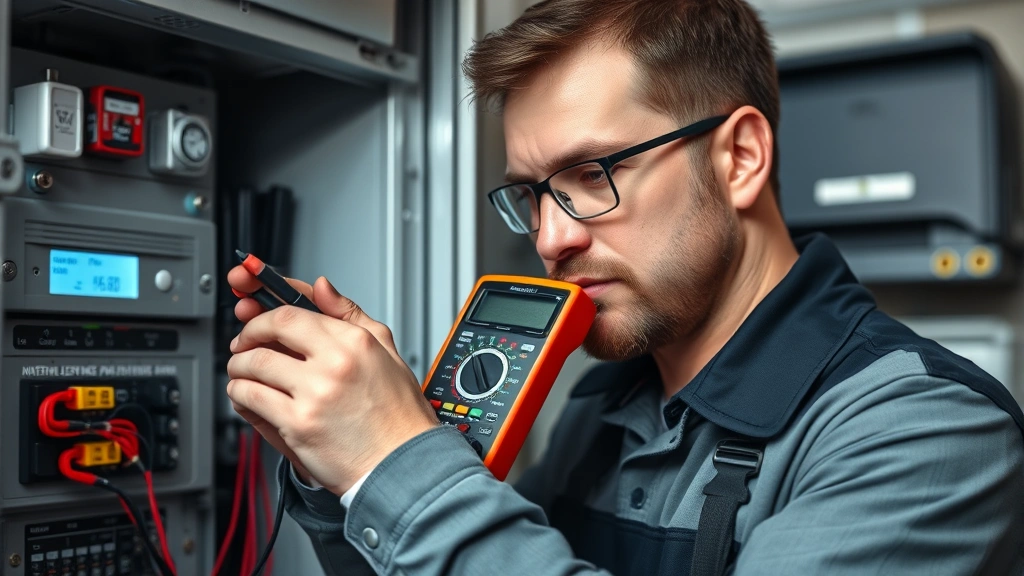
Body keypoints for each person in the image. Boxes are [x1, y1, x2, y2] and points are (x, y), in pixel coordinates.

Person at [224, 0, 1024, 574]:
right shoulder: (601, 402)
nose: (550, 237)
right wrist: (347, 470)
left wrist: (401, 463)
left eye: (592, 173)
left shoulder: (925, 432)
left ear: (740, 157)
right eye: (535, 192)